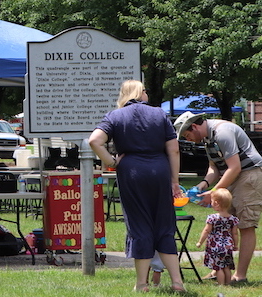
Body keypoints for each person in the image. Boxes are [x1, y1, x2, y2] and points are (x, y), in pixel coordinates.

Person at [89, 80, 185, 293]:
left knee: (139, 225)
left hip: (131, 172)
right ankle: (177, 281)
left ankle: (142, 284)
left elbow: (94, 141)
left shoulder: (115, 116)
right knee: (164, 225)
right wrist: (174, 181)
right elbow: (174, 150)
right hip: (159, 170)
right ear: (141, 93)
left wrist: (112, 162)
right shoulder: (159, 114)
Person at [174, 111, 262, 284]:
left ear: (194, 126)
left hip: (249, 175)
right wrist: (202, 186)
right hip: (231, 175)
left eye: (187, 135)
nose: (188, 139)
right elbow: (214, 167)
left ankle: (240, 275)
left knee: (245, 225)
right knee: (222, 224)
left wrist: (214, 192)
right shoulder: (207, 138)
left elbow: (235, 167)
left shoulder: (222, 133)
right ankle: (218, 270)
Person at [195, 188, 239, 285]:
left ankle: (221, 284)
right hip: (228, 246)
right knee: (226, 266)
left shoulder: (212, 218)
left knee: (218, 267)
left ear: (216, 203)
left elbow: (206, 231)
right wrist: (236, 245)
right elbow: (235, 233)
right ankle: (228, 283)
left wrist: (200, 242)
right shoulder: (233, 219)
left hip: (215, 246)